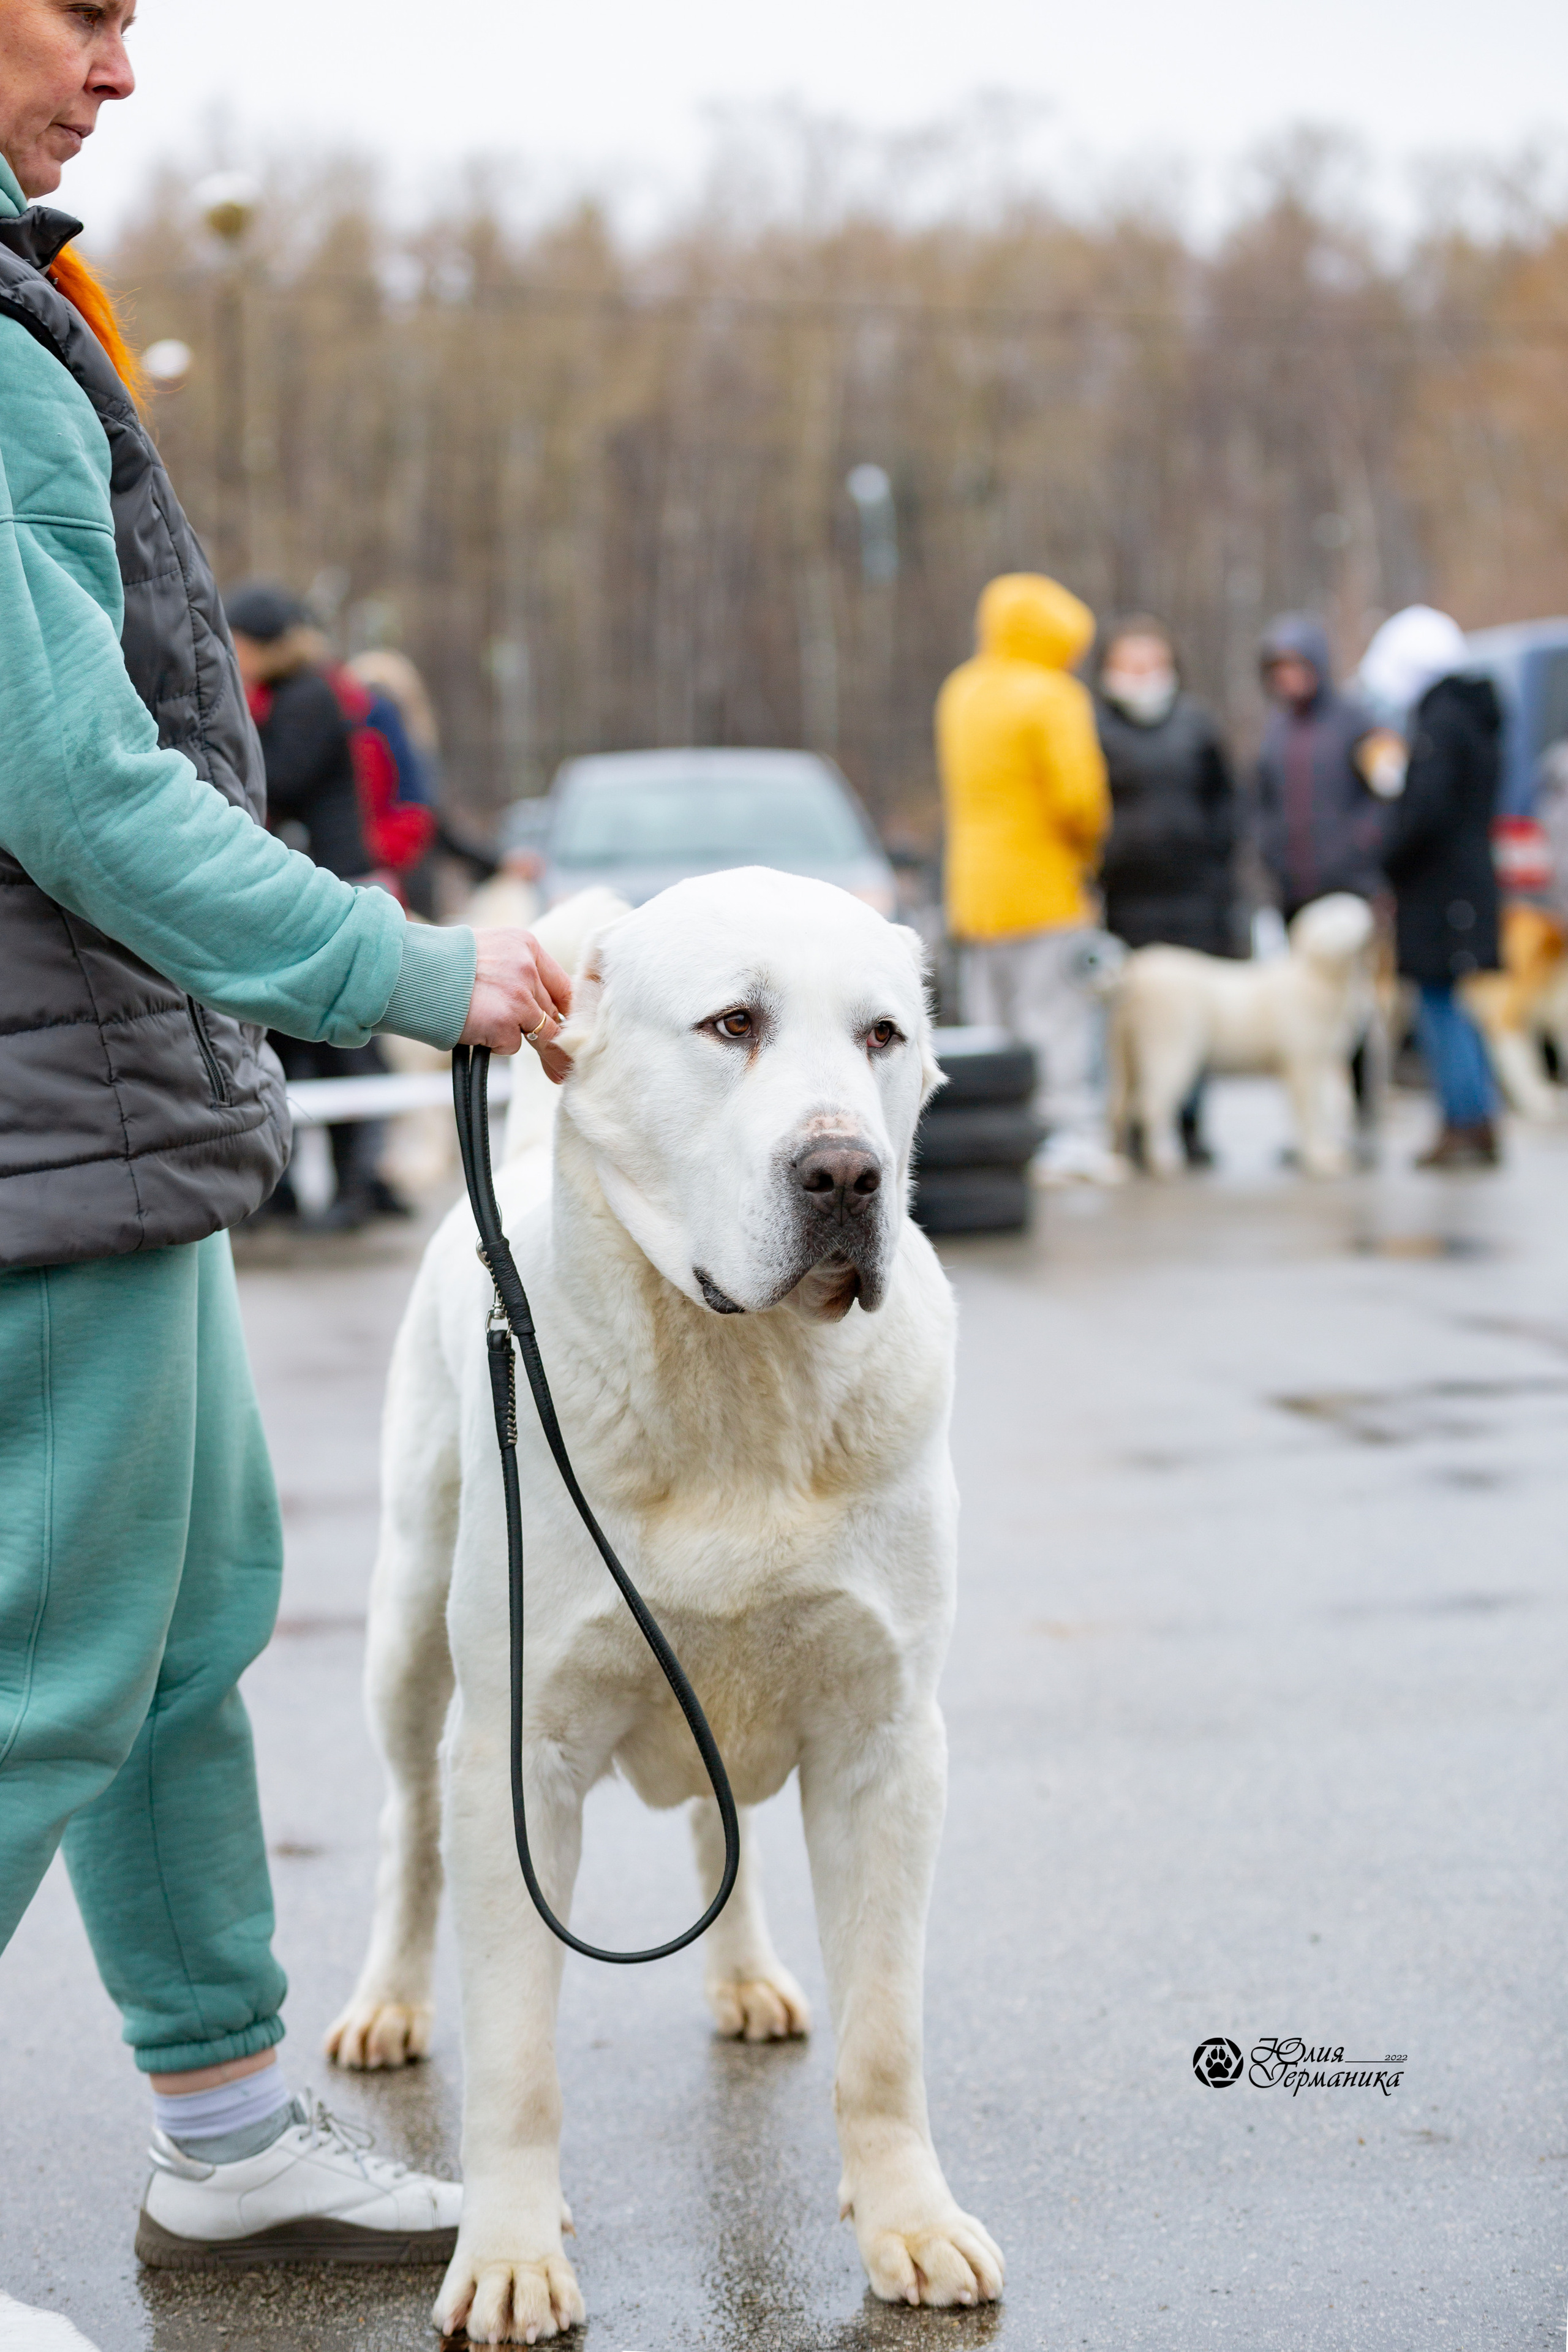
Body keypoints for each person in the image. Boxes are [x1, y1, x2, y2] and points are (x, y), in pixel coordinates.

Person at [0, 2, 572, 2313]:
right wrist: (404, 968)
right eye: (86, 11)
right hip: (42, 1114)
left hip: (92, 1107)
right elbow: (74, 783)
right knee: (44, 1666)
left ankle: (230, 2132)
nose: (121, 73)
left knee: (172, 1632)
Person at [227, 584, 418, 1226]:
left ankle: (356, 1187)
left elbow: (277, 779)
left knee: (345, 1048)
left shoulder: (307, 698)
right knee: (296, 1043)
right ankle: (292, 1190)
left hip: (339, 886)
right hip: (317, 883)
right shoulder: (290, 697)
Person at [937, 571, 1123, 1185]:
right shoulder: (1053, 696)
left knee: (994, 1027)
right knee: (1057, 1021)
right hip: (1045, 889)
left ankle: (1001, 1136)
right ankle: (1067, 1135)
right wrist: (1090, 850)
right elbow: (1080, 800)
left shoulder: (961, 690)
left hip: (974, 892)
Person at [1360, 606, 1503, 1168]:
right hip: (1457, 882)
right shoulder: (1469, 715)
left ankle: (1465, 1120)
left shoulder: (1442, 722)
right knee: (1450, 1002)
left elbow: (1426, 812)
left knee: (1440, 1004)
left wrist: (1386, 853)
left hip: (1441, 888)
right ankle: (1474, 1116)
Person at [1095, 615, 1238, 1165]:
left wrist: (1219, 871)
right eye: (1131, 665)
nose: (1142, 676)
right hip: (1126, 903)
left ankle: (1189, 1122)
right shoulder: (1095, 728)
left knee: (1194, 1018)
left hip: (1196, 900)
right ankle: (1133, 1121)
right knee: (1130, 1023)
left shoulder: (1198, 726)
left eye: (1152, 665)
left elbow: (1226, 802)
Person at [1255, 612, 1382, 917]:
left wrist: (1360, 844)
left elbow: (1384, 795)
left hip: (1352, 888)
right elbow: (1260, 801)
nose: (1288, 676)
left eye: (1296, 665)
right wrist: (1269, 851)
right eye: (1279, 668)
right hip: (1292, 892)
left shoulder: (1355, 722)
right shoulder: (1274, 733)